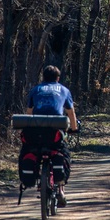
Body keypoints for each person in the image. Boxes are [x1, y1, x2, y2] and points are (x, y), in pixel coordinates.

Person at [26, 65, 78, 206]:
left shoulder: (35, 90)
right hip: (55, 131)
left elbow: (29, 113)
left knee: (33, 151)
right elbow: (70, 113)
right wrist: (74, 128)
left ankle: (37, 177)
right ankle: (61, 190)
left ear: (43, 77)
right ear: (58, 78)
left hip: (36, 132)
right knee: (61, 152)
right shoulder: (64, 90)